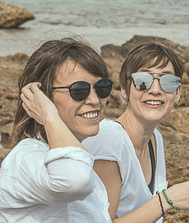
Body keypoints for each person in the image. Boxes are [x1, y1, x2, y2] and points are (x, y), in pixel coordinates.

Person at [83, 43, 189, 222]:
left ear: (177, 93)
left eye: (168, 82)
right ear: (124, 89)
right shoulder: (108, 140)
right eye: (142, 81)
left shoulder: (155, 139)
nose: (155, 90)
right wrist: (167, 200)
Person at [0, 37, 114, 222]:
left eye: (102, 88)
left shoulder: (70, 152)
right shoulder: (27, 158)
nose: (94, 100)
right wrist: (49, 115)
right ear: (43, 97)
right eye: (78, 90)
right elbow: (75, 181)